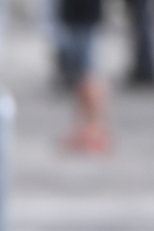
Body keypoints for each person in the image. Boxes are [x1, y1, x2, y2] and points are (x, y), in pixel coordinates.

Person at [57, 0, 111, 152]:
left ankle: (95, 128)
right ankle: (82, 125)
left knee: (89, 73)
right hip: (75, 14)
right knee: (79, 75)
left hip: (85, 14)